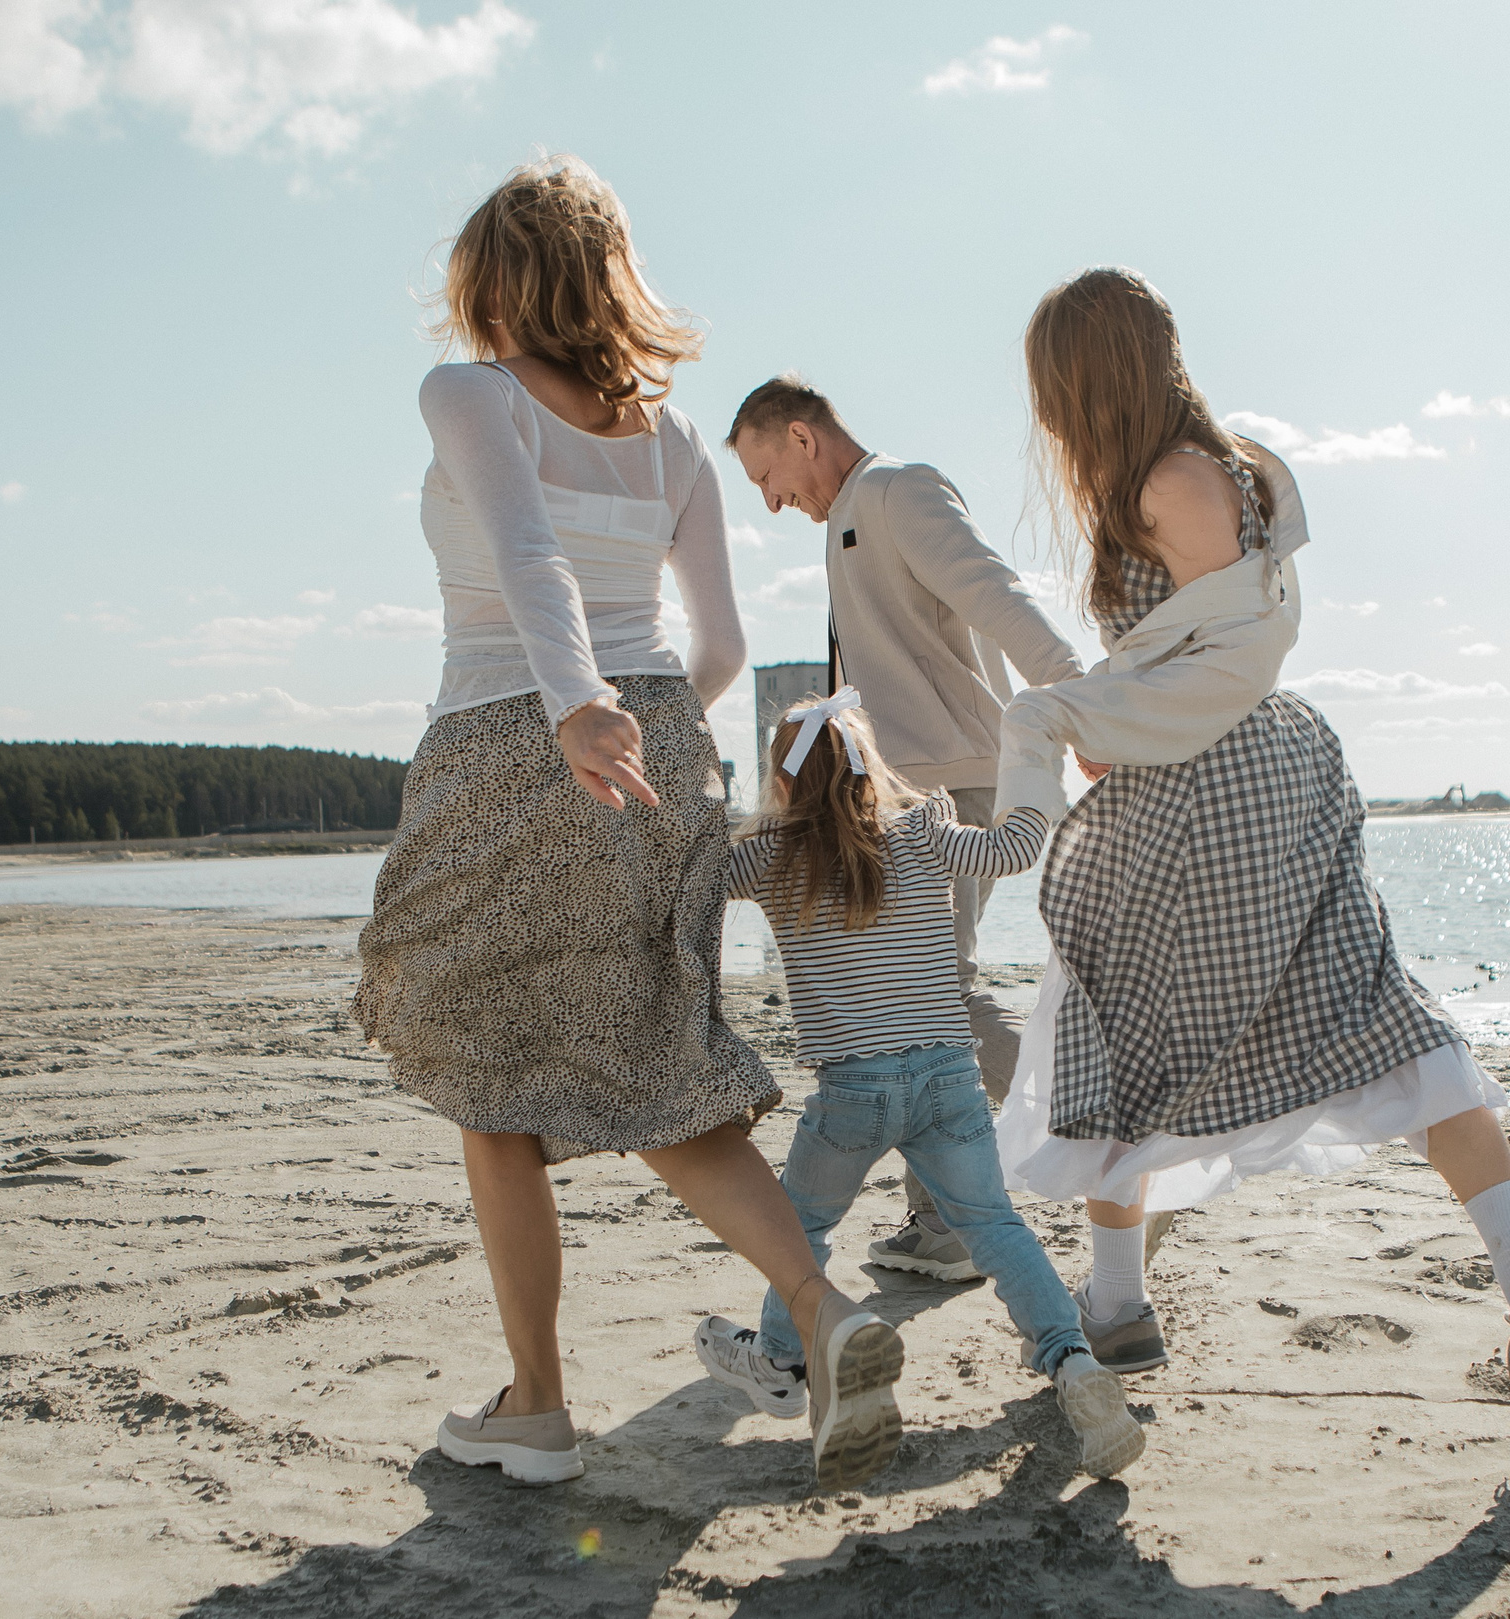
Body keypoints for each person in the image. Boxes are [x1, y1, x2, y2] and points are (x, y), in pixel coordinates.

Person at [351, 156, 900, 1491]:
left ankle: (536, 1402)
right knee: (659, 1064)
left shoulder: (469, 392)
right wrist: (645, 725)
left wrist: (576, 710)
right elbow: (722, 645)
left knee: (487, 1080)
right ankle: (824, 1314)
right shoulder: (674, 438)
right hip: (660, 740)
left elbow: (526, 553)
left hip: (513, 737)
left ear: (493, 279)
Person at [990, 267, 1510, 1440]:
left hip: (1209, 793)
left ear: (1086, 379)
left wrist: (1102, 720)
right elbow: (1198, 654)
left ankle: (1117, 1305)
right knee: (1371, 1017)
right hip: (1268, 776)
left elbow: (1226, 668)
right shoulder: (1218, 468)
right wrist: (1120, 714)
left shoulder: (1169, 483)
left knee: (1122, 1031)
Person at [689, 686, 1146, 1484]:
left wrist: (686, 800)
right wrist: (1033, 760)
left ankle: (782, 1362)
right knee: (994, 1226)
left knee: (799, 1227)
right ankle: (1073, 1361)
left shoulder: (769, 857)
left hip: (851, 1092)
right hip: (947, 1077)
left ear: (783, 780)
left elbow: (687, 877)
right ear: (870, 763)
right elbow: (1017, 846)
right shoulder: (923, 831)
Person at [724, 376, 1087, 1283]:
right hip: (900, 792)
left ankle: (1095, 1107)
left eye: (767, 475)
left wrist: (1080, 704)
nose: (770, 500)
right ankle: (943, 1222)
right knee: (927, 996)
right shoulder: (850, 515)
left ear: (801, 437)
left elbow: (996, 594)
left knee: (938, 1000)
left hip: (948, 781)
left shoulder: (897, 490)